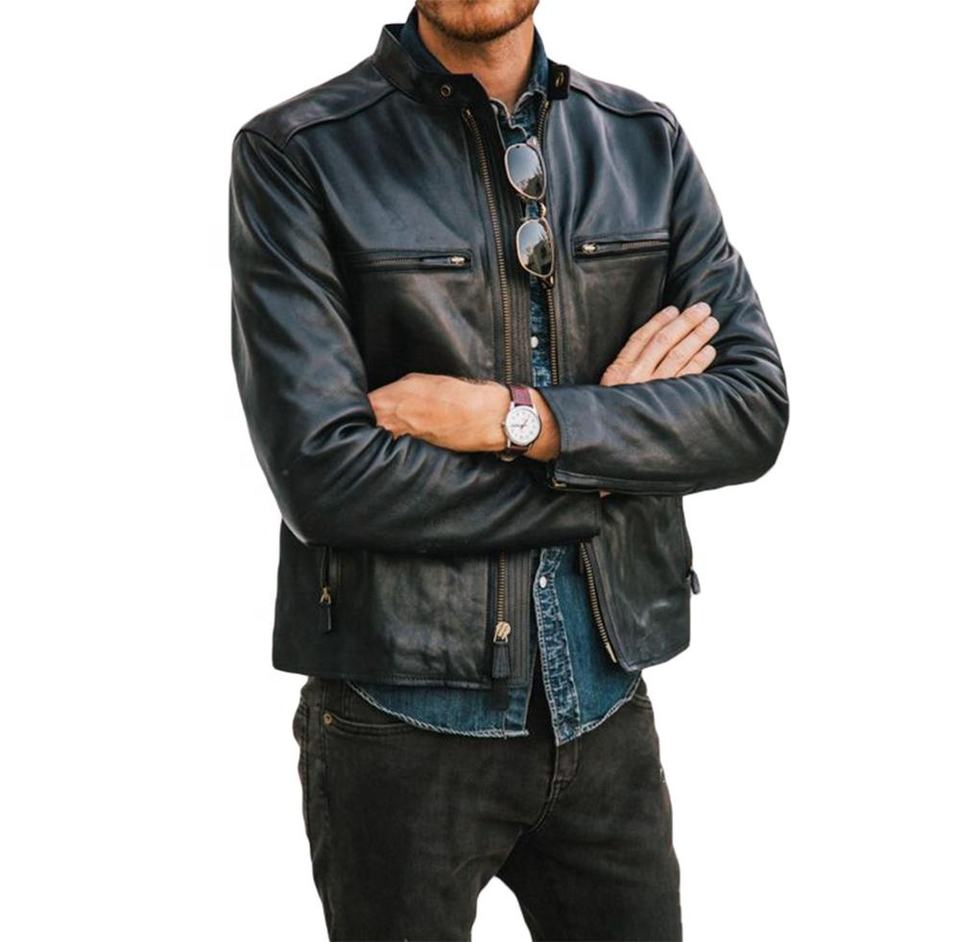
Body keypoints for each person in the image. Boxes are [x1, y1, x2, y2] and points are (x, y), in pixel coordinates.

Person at [228, 2, 789, 938]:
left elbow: (752, 408)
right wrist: (609, 463)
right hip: (397, 717)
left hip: (605, 709)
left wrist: (516, 419)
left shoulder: (643, 143)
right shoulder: (297, 154)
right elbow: (325, 479)